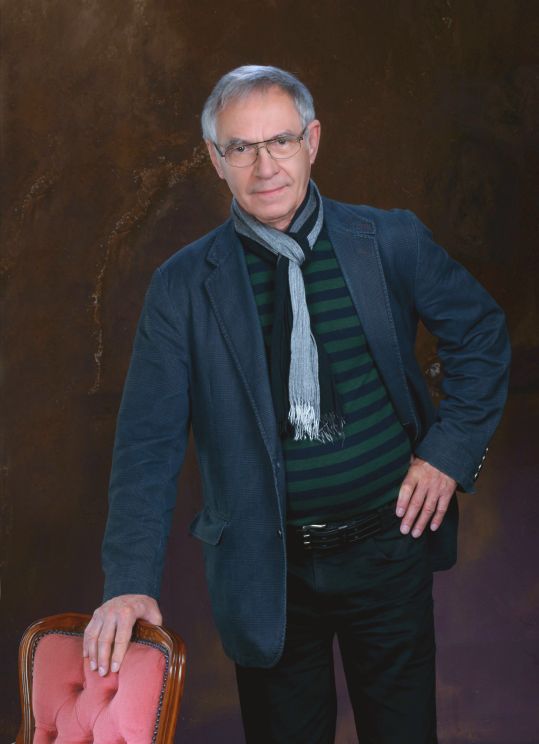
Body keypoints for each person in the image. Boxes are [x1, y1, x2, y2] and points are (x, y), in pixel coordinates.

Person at [83, 65, 510, 743]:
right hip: (267, 570)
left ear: (311, 141)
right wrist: (128, 580)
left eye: (279, 141)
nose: (265, 167)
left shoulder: (387, 240)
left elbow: (481, 336)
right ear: (215, 160)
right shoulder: (183, 287)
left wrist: (447, 455)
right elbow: (147, 443)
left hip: (387, 550)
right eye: (241, 148)